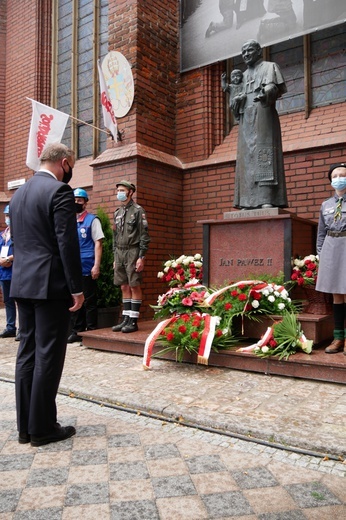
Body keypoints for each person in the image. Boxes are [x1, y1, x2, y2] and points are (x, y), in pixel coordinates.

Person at [9, 142, 84, 447]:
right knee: (48, 354)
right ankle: (43, 428)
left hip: (22, 284)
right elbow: (66, 243)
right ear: (64, 162)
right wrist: (76, 288)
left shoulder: (18, 196)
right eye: (71, 167)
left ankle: (25, 428)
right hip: (50, 286)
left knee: (26, 351)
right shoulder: (59, 192)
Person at [231, 39, 288, 210]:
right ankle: (247, 201)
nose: (246, 54)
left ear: (258, 51)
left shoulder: (270, 67)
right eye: (243, 52)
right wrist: (238, 99)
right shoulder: (242, 75)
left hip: (264, 116)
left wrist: (265, 93)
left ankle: (266, 199)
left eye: (249, 50)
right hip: (246, 121)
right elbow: (236, 96)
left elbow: (274, 87)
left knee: (265, 155)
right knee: (246, 158)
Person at [112, 180, 150, 333]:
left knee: (134, 285)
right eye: (118, 190)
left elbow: (144, 235)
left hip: (133, 251)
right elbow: (115, 236)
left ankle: (133, 320)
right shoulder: (117, 212)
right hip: (120, 252)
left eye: (122, 190)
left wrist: (141, 257)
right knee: (123, 285)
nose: (119, 193)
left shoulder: (138, 211)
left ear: (130, 192)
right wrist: (115, 257)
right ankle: (125, 318)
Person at [316, 162, 346, 355]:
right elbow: (321, 233)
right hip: (331, 250)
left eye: (342, 175)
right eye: (335, 176)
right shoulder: (326, 205)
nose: (338, 178)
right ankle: (338, 338)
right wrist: (322, 253)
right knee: (337, 295)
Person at [67, 188, 104, 344]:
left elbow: (98, 243)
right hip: (72, 267)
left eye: (79, 200)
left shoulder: (92, 220)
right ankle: (76, 331)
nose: (76, 203)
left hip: (87, 266)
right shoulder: (69, 221)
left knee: (89, 301)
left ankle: (91, 331)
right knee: (75, 301)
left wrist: (96, 265)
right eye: (74, 200)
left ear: (85, 202)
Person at [0, 205, 17, 338]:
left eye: (10, 215)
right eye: (6, 215)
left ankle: (23, 330)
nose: (8, 218)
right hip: (4, 273)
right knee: (8, 301)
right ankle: (10, 327)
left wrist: (10, 259)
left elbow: (24, 250)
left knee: (21, 302)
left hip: (16, 271)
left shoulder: (19, 234)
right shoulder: (2, 235)